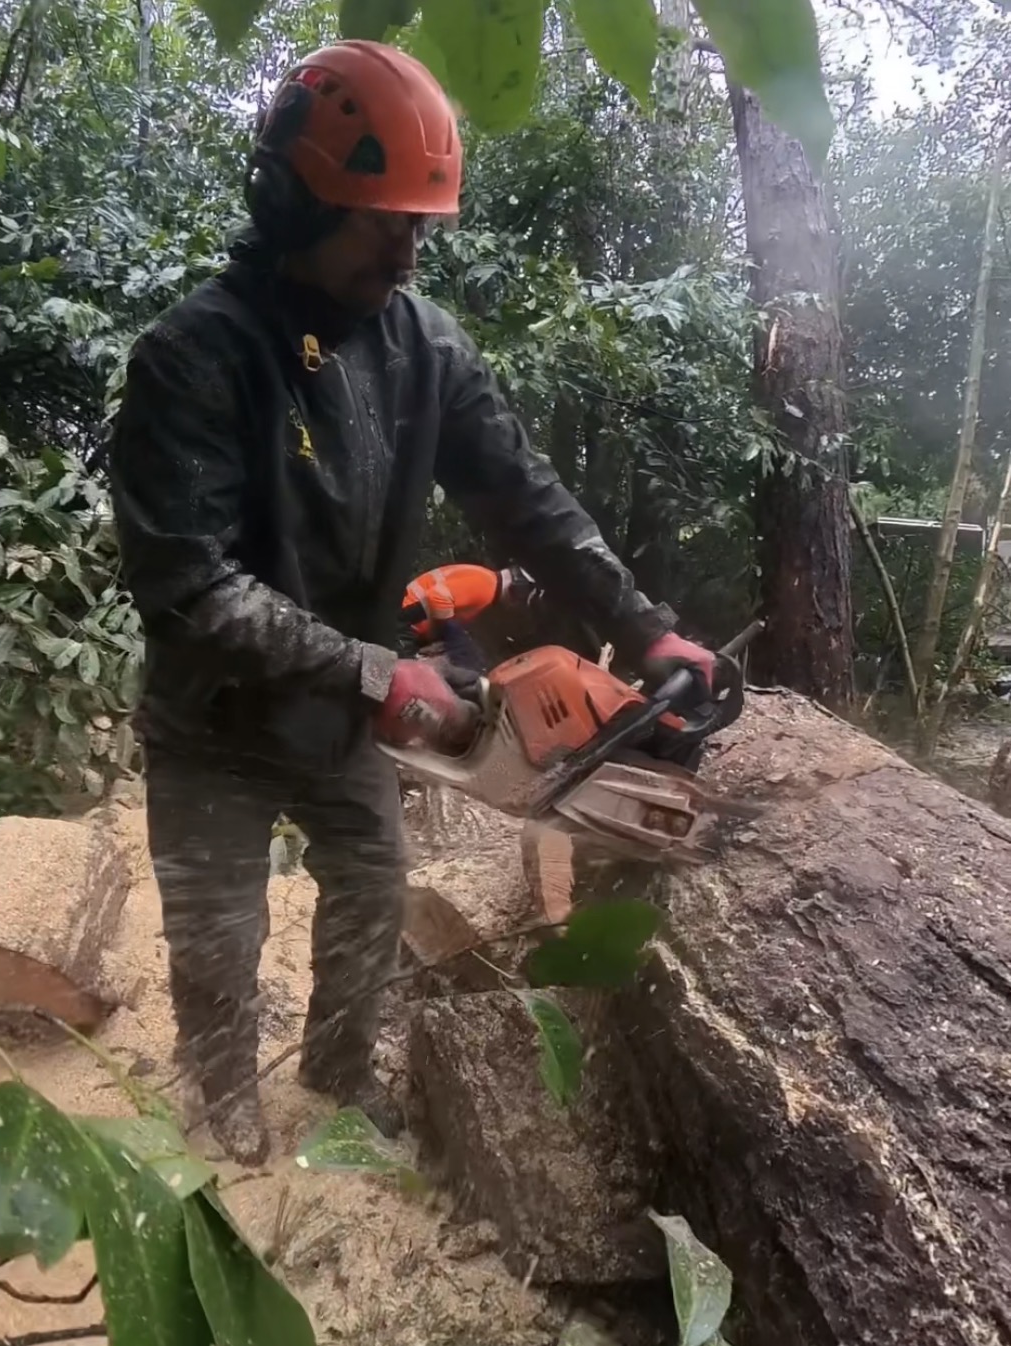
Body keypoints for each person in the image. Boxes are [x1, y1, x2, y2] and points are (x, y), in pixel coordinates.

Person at [109, 41, 714, 1164]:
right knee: (217, 933)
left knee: (372, 890)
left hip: (340, 713)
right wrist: (380, 674)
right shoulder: (195, 358)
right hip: (216, 720)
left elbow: (524, 497)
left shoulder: (423, 347)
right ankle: (220, 1112)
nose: (408, 245)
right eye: (379, 218)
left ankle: (337, 1091)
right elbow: (186, 586)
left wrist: (642, 623)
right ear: (291, 200)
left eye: (418, 221)